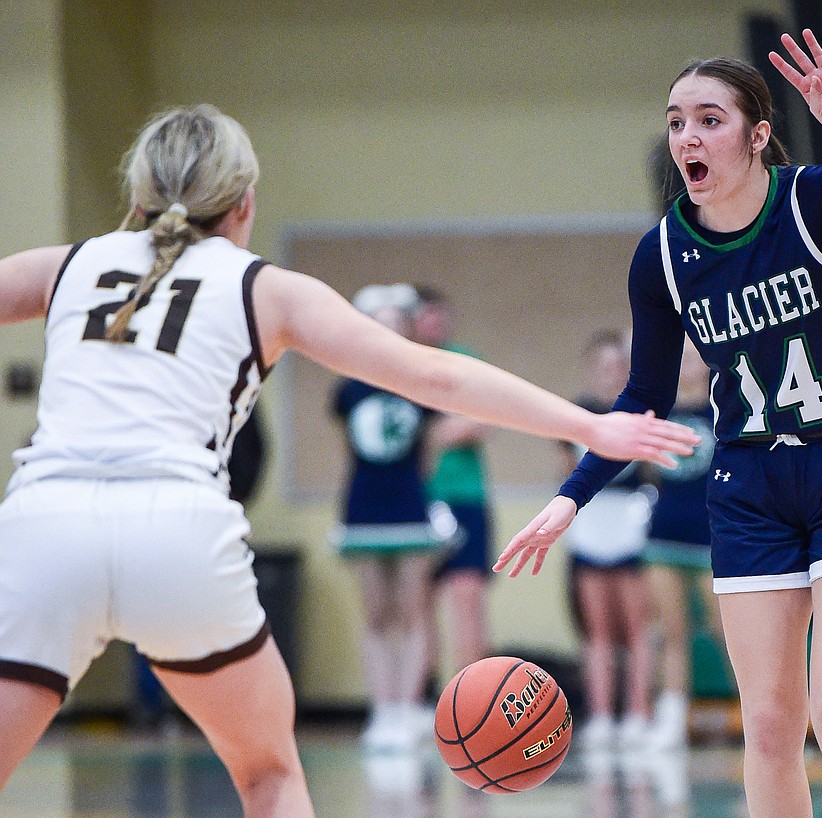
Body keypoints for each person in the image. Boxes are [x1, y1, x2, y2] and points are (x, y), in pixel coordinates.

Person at [0, 104, 698, 817]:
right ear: (244, 204)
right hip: (175, 529)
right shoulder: (264, 287)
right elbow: (435, 377)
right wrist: (590, 423)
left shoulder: (69, 263)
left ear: (137, 198)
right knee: (269, 777)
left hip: (42, 525)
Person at [495, 30, 822, 818]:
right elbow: (642, 397)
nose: (687, 137)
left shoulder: (820, 197)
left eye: (709, 119)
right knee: (772, 724)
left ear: (756, 135)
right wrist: (572, 495)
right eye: (676, 121)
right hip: (749, 482)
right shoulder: (664, 257)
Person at [332, 282, 449, 754]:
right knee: (376, 613)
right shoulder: (348, 389)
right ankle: (382, 708)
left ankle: (407, 706)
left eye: (395, 326)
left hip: (409, 505)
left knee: (413, 609)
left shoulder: (421, 383)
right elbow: (350, 450)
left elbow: (427, 452)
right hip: (363, 507)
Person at [561, 330, 657, 752]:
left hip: (631, 520)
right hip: (591, 523)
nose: (609, 374)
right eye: (602, 367)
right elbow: (567, 470)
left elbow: (655, 469)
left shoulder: (643, 411)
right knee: (596, 629)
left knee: (637, 627)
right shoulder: (576, 414)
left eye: (617, 366)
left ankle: (638, 713)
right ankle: (601, 716)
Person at [641, 337, 725, 751]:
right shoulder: (658, 409)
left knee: (727, 631)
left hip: (713, 537)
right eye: (682, 358)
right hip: (665, 533)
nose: (689, 366)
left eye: (695, 359)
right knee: (670, 630)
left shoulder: (724, 408)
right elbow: (646, 468)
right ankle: (671, 717)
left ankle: (767, 716)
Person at [412, 285, 494, 676]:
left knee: (467, 597)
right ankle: (426, 697)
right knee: (417, 602)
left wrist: (448, 430)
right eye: (426, 315)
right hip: (415, 500)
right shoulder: (399, 364)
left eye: (440, 314)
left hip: (465, 497)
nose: (434, 322)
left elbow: (488, 417)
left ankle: (474, 693)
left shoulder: (465, 362)